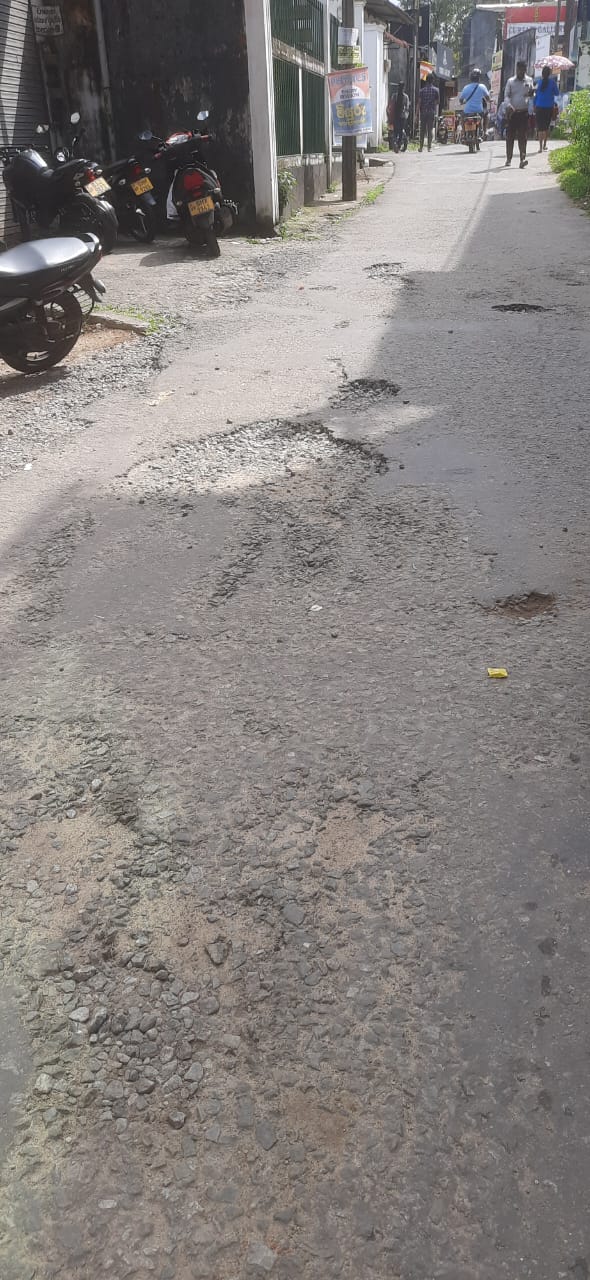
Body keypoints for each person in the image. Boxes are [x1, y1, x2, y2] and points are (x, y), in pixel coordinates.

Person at [503, 60, 534, 168]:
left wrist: (531, 93)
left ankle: (522, 158)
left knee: (523, 137)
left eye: (523, 70)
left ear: (525, 70)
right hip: (512, 113)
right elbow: (506, 95)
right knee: (510, 136)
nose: (521, 72)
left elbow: (531, 95)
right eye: (519, 70)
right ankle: (508, 158)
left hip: (524, 112)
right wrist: (508, 105)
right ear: (517, 69)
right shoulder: (510, 81)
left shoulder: (529, 80)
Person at [535, 64, 559, 152]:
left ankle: (540, 147)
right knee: (546, 127)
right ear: (549, 73)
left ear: (542, 74)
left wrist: (534, 105)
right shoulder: (552, 82)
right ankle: (545, 145)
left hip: (539, 106)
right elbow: (557, 93)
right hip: (548, 107)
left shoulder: (539, 82)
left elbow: (536, 95)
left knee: (540, 127)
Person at [418, 74, 439, 152]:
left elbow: (419, 103)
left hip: (423, 112)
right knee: (430, 130)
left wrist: (417, 114)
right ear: (432, 81)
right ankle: (429, 147)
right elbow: (437, 102)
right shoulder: (436, 90)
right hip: (431, 112)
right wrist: (435, 112)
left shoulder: (422, 91)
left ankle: (420, 147)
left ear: (426, 81)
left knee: (422, 130)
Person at [395, 83, 410, 149]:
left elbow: (406, 107)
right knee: (399, 130)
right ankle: (397, 143)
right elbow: (407, 107)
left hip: (401, 116)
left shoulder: (395, 95)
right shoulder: (404, 96)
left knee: (399, 130)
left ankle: (398, 143)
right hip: (399, 116)